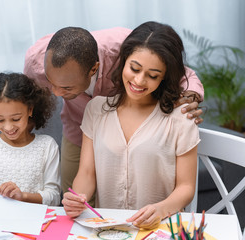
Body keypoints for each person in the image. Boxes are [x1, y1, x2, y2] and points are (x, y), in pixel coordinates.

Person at [24, 26, 204, 197]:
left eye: (66, 87)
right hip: (76, 127)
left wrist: (190, 97)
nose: (56, 94)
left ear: (93, 69)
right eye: (51, 83)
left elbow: (182, 73)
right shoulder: (36, 62)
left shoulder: (126, 49)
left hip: (120, 134)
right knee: (72, 194)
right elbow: (26, 101)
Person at [61, 21, 200, 229]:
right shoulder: (96, 110)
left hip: (158, 229)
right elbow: (87, 172)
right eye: (134, 68)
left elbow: (186, 187)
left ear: (164, 77)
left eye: (153, 75)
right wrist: (78, 197)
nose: (139, 80)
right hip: (108, 229)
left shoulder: (180, 118)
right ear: (123, 61)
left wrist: (161, 209)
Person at [0, 72, 61, 206]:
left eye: (16, 119)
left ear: (30, 110)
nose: (8, 127)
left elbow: (54, 197)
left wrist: (23, 196)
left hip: (35, 221)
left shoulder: (47, 146)